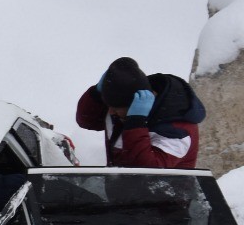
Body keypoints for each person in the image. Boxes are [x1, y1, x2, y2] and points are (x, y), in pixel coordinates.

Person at [75, 55, 205, 168]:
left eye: (115, 108)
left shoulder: (177, 130)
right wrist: (97, 93)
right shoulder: (121, 105)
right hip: (120, 186)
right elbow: (88, 120)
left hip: (166, 190)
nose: (110, 112)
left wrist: (136, 123)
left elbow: (146, 173)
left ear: (132, 104)